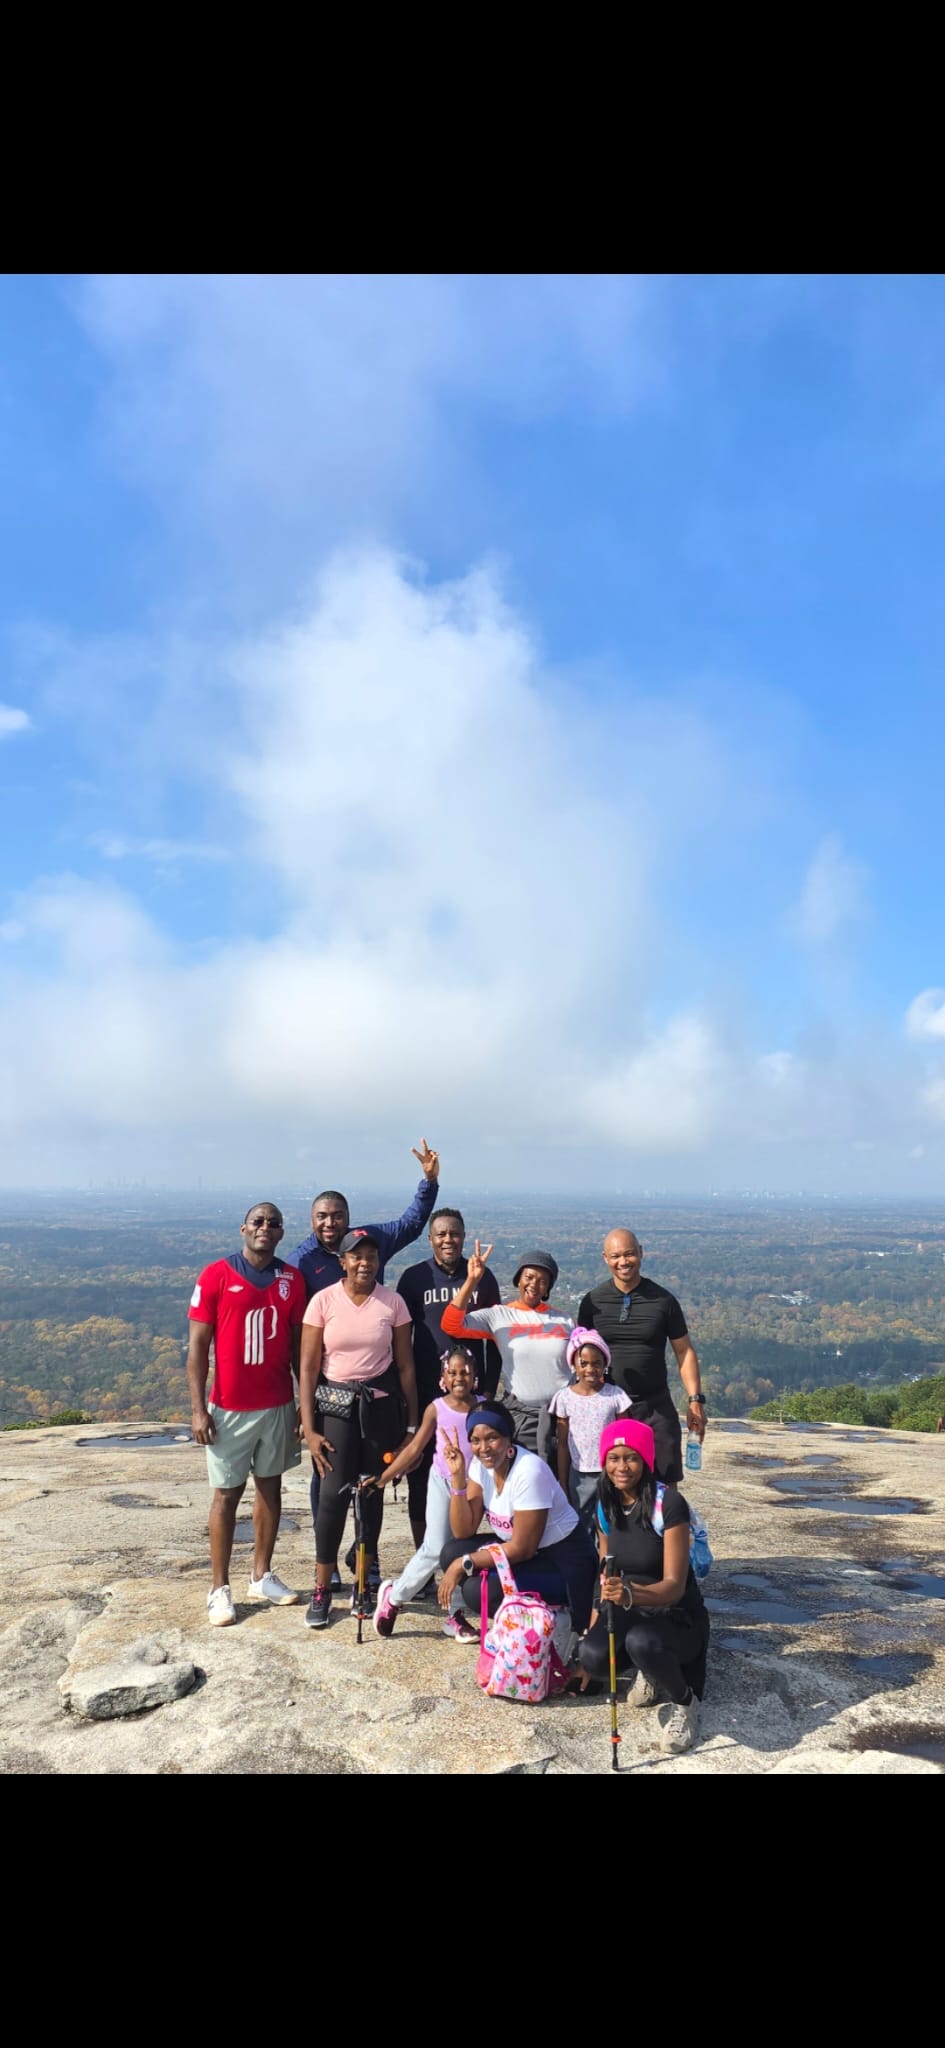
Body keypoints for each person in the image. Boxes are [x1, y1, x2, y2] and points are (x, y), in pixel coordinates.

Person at [288, 1138, 441, 1586]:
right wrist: (304, 1410)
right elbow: (302, 1340)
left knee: (371, 1479)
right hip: (330, 1390)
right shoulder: (301, 1263)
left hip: (376, 1390)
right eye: (322, 1216)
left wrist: (429, 1182)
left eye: (337, 1215)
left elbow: (411, 1223)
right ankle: (328, 1566)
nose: (330, 1222)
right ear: (312, 1221)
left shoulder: (370, 1244)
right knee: (329, 1484)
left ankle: (365, 1559)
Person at [186, 1201, 306, 1627]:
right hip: (229, 1408)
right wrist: (198, 1409)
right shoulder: (216, 1275)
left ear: (281, 1233)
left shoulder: (292, 1280)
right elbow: (198, 1348)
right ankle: (219, 1588)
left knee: (270, 1490)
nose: (264, 1228)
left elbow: (299, 1350)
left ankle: (261, 1575)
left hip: (277, 1405)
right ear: (243, 1228)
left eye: (273, 1223)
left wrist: (302, 1405)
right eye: (258, 1221)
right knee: (226, 1495)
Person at [299, 1228, 418, 1630]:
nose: (364, 1263)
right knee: (332, 1495)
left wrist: (411, 1425)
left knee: (370, 1493)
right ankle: (321, 1587)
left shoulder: (392, 1303)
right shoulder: (323, 1301)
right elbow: (308, 1369)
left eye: (371, 1256)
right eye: (356, 1256)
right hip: (336, 1407)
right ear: (343, 1262)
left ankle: (363, 1582)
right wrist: (309, 1428)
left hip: (380, 1408)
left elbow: (405, 1366)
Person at [579, 1419, 710, 1754]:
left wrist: (629, 1594)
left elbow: (674, 1587)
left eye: (631, 1458)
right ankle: (650, 1670)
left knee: (641, 1641)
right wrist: (594, 1623)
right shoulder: (606, 1504)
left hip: (677, 1616)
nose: (622, 1467)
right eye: (614, 1458)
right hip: (632, 1609)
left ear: (646, 1460)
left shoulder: (668, 1505)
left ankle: (685, 1702)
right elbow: (605, 1571)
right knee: (592, 1656)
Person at [438, 1404, 597, 1642]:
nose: (484, 1448)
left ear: (508, 1437)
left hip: (561, 1562)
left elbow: (523, 1549)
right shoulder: (481, 1465)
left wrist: (464, 1563)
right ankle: (517, 1617)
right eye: (475, 1441)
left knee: (478, 1589)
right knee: (452, 1552)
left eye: (492, 1438)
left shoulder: (529, 1472)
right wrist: (458, 1479)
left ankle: (552, 1620)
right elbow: (464, 1530)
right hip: (525, 1555)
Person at [396, 1209, 501, 1561]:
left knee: (475, 1473)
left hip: (471, 1396)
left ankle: (463, 1553)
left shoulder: (483, 1278)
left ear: (464, 1236)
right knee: (420, 1475)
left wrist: (489, 1392)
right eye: (441, 1234)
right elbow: (402, 1340)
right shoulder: (414, 1278)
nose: (448, 1240)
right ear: (430, 1239)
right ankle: (423, 1557)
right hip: (428, 1393)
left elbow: (494, 1339)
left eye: (454, 1233)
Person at [371, 1344, 482, 1643]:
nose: (459, 1378)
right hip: (443, 1482)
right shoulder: (436, 1408)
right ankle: (395, 1596)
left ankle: (455, 1615)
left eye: (465, 1372)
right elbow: (414, 1449)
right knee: (436, 1546)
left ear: (474, 1376)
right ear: (443, 1377)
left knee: (461, 1548)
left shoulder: (483, 1407)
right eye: (452, 1373)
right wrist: (384, 1478)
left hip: (473, 1487)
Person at [578, 1229, 706, 1482]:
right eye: (615, 1256)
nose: (623, 1262)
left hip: (654, 1405)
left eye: (629, 1254)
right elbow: (580, 1353)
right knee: (614, 1485)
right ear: (605, 1258)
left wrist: (695, 1401)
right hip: (608, 1406)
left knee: (665, 1483)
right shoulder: (593, 1302)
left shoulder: (663, 1301)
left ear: (641, 1252)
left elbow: (684, 1351)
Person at [440, 1242, 573, 1462]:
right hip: (523, 1417)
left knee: (564, 1480)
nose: (534, 1284)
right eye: (529, 1277)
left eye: (542, 1281)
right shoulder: (500, 1316)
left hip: (564, 1418)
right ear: (518, 1279)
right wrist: (472, 1280)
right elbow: (451, 1324)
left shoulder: (565, 1320)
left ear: (548, 1288)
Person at [549, 1327, 632, 1537]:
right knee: (582, 1526)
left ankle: (609, 1558)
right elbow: (562, 1444)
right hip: (579, 1476)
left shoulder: (616, 1396)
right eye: (583, 1363)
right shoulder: (564, 1398)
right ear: (573, 1364)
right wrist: (563, 1481)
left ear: (605, 1364)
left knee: (611, 1524)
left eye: (596, 1363)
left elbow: (626, 1441)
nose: (590, 1369)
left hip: (611, 1473)